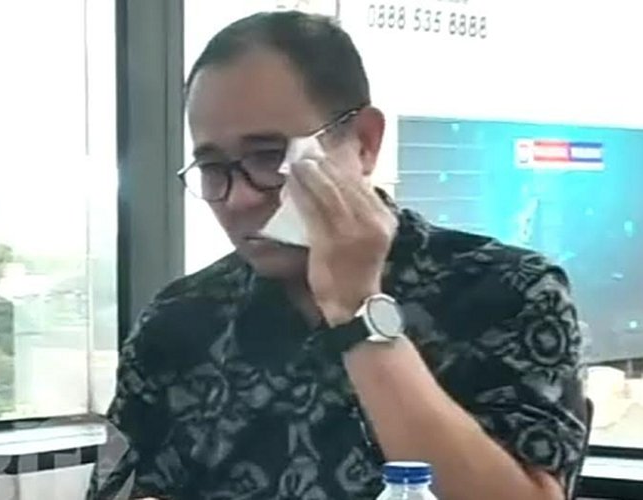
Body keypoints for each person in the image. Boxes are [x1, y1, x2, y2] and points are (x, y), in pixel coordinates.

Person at [87, 11, 587, 500]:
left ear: (364, 142)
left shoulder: (506, 293)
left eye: (269, 157)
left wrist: (358, 311)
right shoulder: (177, 322)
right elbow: (117, 487)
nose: (238, 198)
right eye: (213, 168)